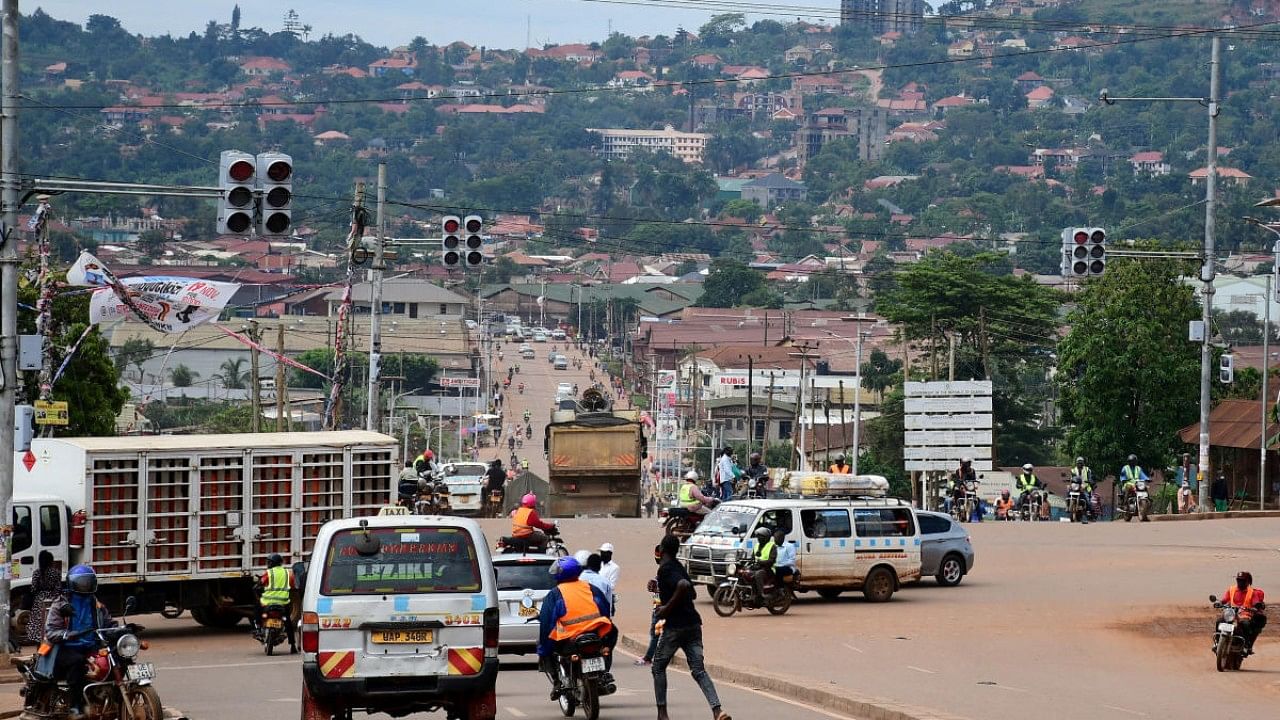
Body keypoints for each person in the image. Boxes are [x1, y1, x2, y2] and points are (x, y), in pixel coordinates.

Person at [651, 534, 730, 720]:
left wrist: (666, 608)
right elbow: (691, 593)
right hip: (693, 625)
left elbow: (683, 585)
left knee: (658, 667)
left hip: (675, 627)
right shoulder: (679, 567)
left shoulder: (666, 569)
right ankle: (717, 710)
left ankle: (662, 713)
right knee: (698, 670)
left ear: (662, 550)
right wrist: (659, 589)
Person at [537, 557, 617, 695]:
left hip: (570, 640)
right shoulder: (591, 588)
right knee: (611, 636)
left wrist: (544, 647)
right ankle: (604, 672)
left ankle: (557, 682)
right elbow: (605, 610)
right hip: (595, 636)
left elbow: (547, 623)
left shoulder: (555, 594)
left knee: (545, 647)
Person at [44, 565, 113, 720]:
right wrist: (67, 635)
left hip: (91, 646)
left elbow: (108, 623)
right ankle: (75, 706)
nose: (85, 585)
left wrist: (123, 629)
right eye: (82, 582)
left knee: (113, 658)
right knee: (77, 662)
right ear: (72, 583)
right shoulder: (61, 604)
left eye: (88, 582)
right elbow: (50, 632)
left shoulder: (95, 603)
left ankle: (109, 698)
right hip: (63, 648)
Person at [255, 553, 298, 653]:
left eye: (269, 562)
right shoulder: (288, 573)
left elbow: (261, 582)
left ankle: (257, 628)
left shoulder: (269, 573)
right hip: (283, 603)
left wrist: (258, 585)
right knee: (288, 623)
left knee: (256, 608)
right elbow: (293, 585)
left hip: (267, 602)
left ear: (272, 563)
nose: (268, 564)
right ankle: (293, 646)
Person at [1220, 571, 1267, 654]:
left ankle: (1246, 645)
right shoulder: (1231, 589)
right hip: (1231, 614)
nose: (1240, 582)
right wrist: (1219, 603)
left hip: (1245, 615)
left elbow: (1255, 602)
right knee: (1219, 621)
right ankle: (1217, 641)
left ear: (1248, 581)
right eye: (1238, 580)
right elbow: (1224, 600)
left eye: (1242, 580)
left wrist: (1256, 606)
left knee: (1245, 625)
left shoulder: (1252, 592)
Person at [26, 550, 62, 645]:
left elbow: (33, 589)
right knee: (51, 622)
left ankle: (39, 647)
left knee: (39, 625)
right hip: (52, 601)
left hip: (39, 601)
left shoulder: (37, 573)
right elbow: (58, 589)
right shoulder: (56, 573)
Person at [750, 526, 777, 601]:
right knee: (745, 573)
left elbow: (771, 560)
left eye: (760, 537)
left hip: (769, 569)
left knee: (758, 574)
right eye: (758, 537)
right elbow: (752, 558)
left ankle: (761, 594)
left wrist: (760, 562)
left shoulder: (772, 546)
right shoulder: (756, 546)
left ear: (766, 538)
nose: (758, 538)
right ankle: (750, 592)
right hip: (758, 567)